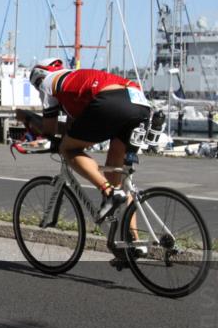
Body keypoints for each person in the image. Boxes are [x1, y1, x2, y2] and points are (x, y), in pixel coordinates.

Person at [16, 58, 152, 223]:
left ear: (40, 77)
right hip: (139, 102)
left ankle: (108, 192)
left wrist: (29, 118)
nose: (39, 91)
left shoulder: (48, 83)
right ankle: (133, 245)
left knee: (67, 149)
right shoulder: (74, 85)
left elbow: (49, 130)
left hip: (111, 100)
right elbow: (71, 131)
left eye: (36, 86)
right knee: (117, 179)